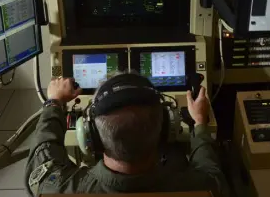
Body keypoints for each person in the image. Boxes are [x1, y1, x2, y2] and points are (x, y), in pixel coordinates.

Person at [25, 73, 228, 196]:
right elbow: (210, 169)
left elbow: (44, 153)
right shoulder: (205, 188)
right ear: (167, 129)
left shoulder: (56, 189)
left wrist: (54, 102)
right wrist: (200, 123)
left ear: (91, 135)